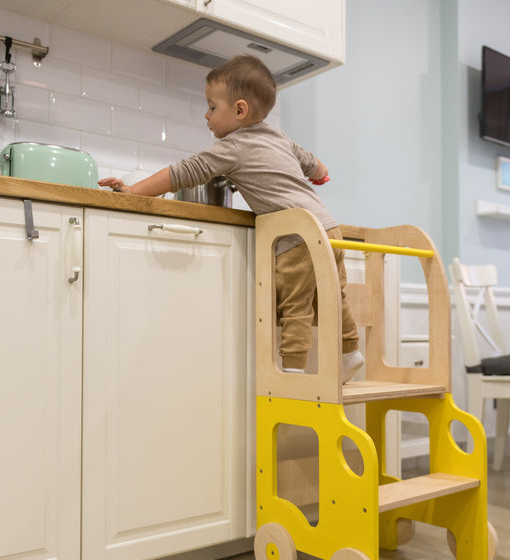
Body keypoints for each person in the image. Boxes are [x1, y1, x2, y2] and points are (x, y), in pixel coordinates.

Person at [98, 55, 364, 383]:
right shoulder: (280, 137)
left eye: (212, 107)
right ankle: (351, 352)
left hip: (297, 238)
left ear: (239, 111)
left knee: (295, 307)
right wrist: (321, 175)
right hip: (329, 228)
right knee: (333, 296)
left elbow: (183, 172)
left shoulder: (233, 147)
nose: (206, 115)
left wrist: (133, 191)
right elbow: (314, 164)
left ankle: (293, 371)